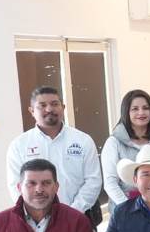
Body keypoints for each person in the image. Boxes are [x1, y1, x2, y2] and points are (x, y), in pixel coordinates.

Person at [6, 86, 101, 218]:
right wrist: (35, 214)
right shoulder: (19, 145)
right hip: (36, 220)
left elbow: (93, 181)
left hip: (79, 216)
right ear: (32, 111)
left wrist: (72, 212)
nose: (49, 109)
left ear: (63, 107)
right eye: (42, 105)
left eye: (54, 104)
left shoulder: (83, 141)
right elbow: (15, 185)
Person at [101, 89, 150, 215]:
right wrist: (130, 209)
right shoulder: (114, 142)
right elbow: (110, 183)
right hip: (125, 210)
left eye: (145, 108)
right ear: (126, 112)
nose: (141, 112)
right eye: (135, 109)